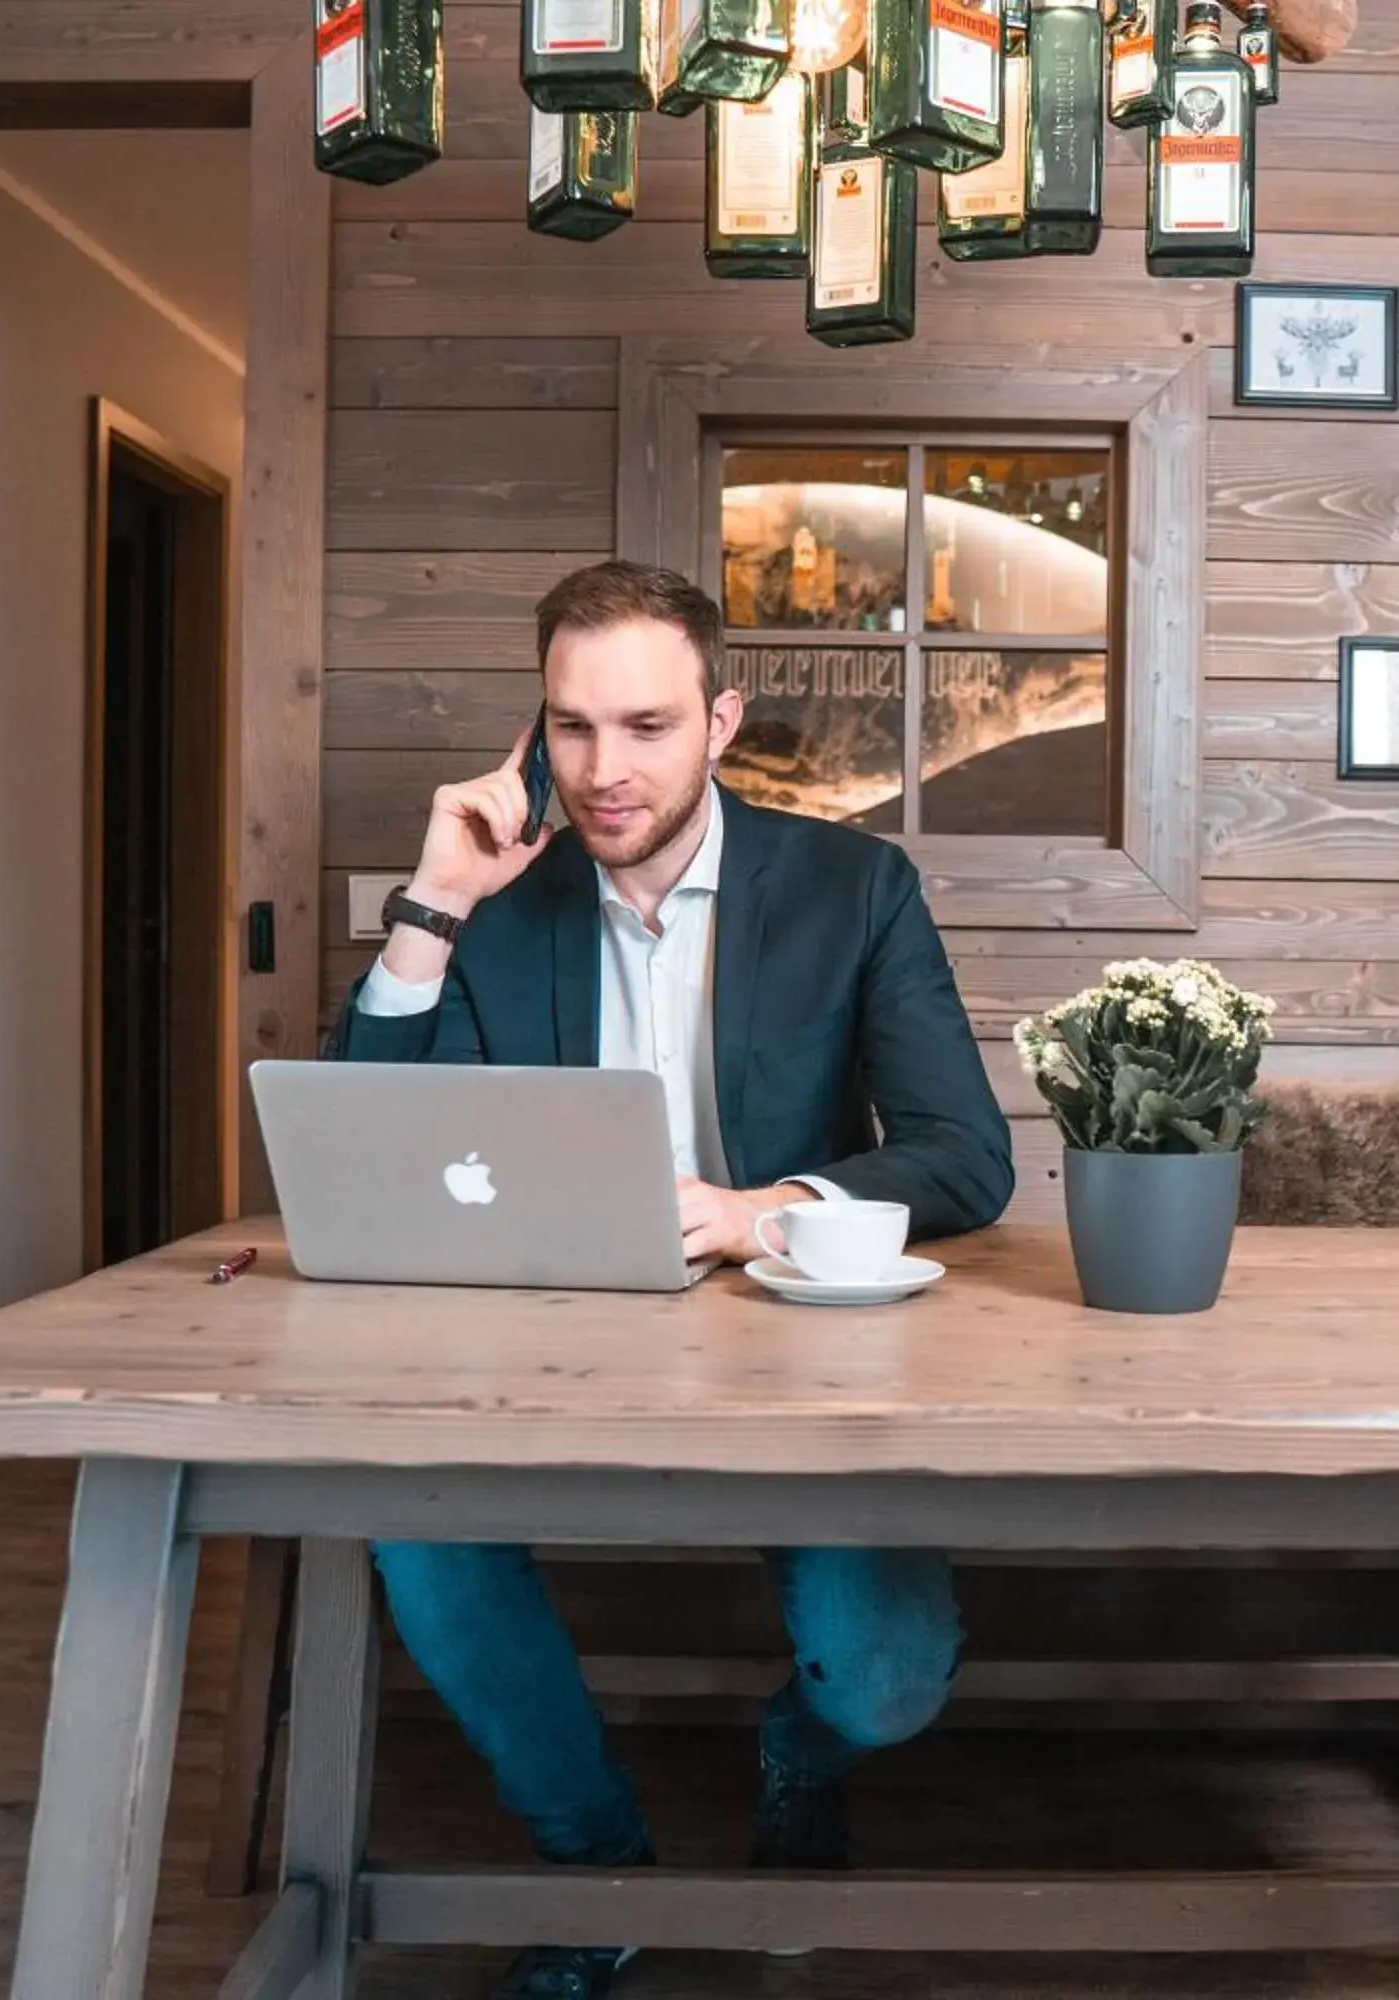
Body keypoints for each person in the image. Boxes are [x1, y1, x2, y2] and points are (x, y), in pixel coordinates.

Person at [330, 558, 1015, 2000]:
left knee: (888, 1675)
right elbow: (374, 1156)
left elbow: (966, 1159)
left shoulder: (853, 887)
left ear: (722, 721)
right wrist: (432, 902)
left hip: (799, 1358)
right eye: (571, 729)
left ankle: (799, 1753)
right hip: (539, 1357)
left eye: (645, 726)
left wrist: (756, 1210)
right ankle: (601, 1869)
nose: (603, 769)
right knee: (418, 1537)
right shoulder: (498, 904)